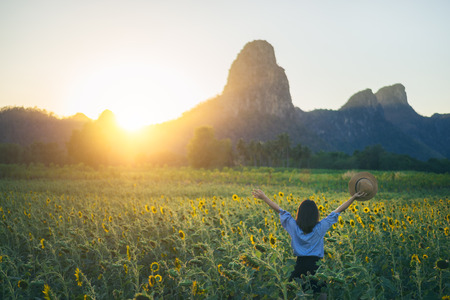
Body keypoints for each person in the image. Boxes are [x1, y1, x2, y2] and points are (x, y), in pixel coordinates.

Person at [252, 189, 366, 299]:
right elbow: (338, 210)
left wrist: (264, 197)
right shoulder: (320, 228)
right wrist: (353, 198)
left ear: (299, 214)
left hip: (299, 265)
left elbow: (280, 210)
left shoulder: (293, 226)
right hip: (316, 266)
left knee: (293, 293)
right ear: (316, 214)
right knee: (322, 293)